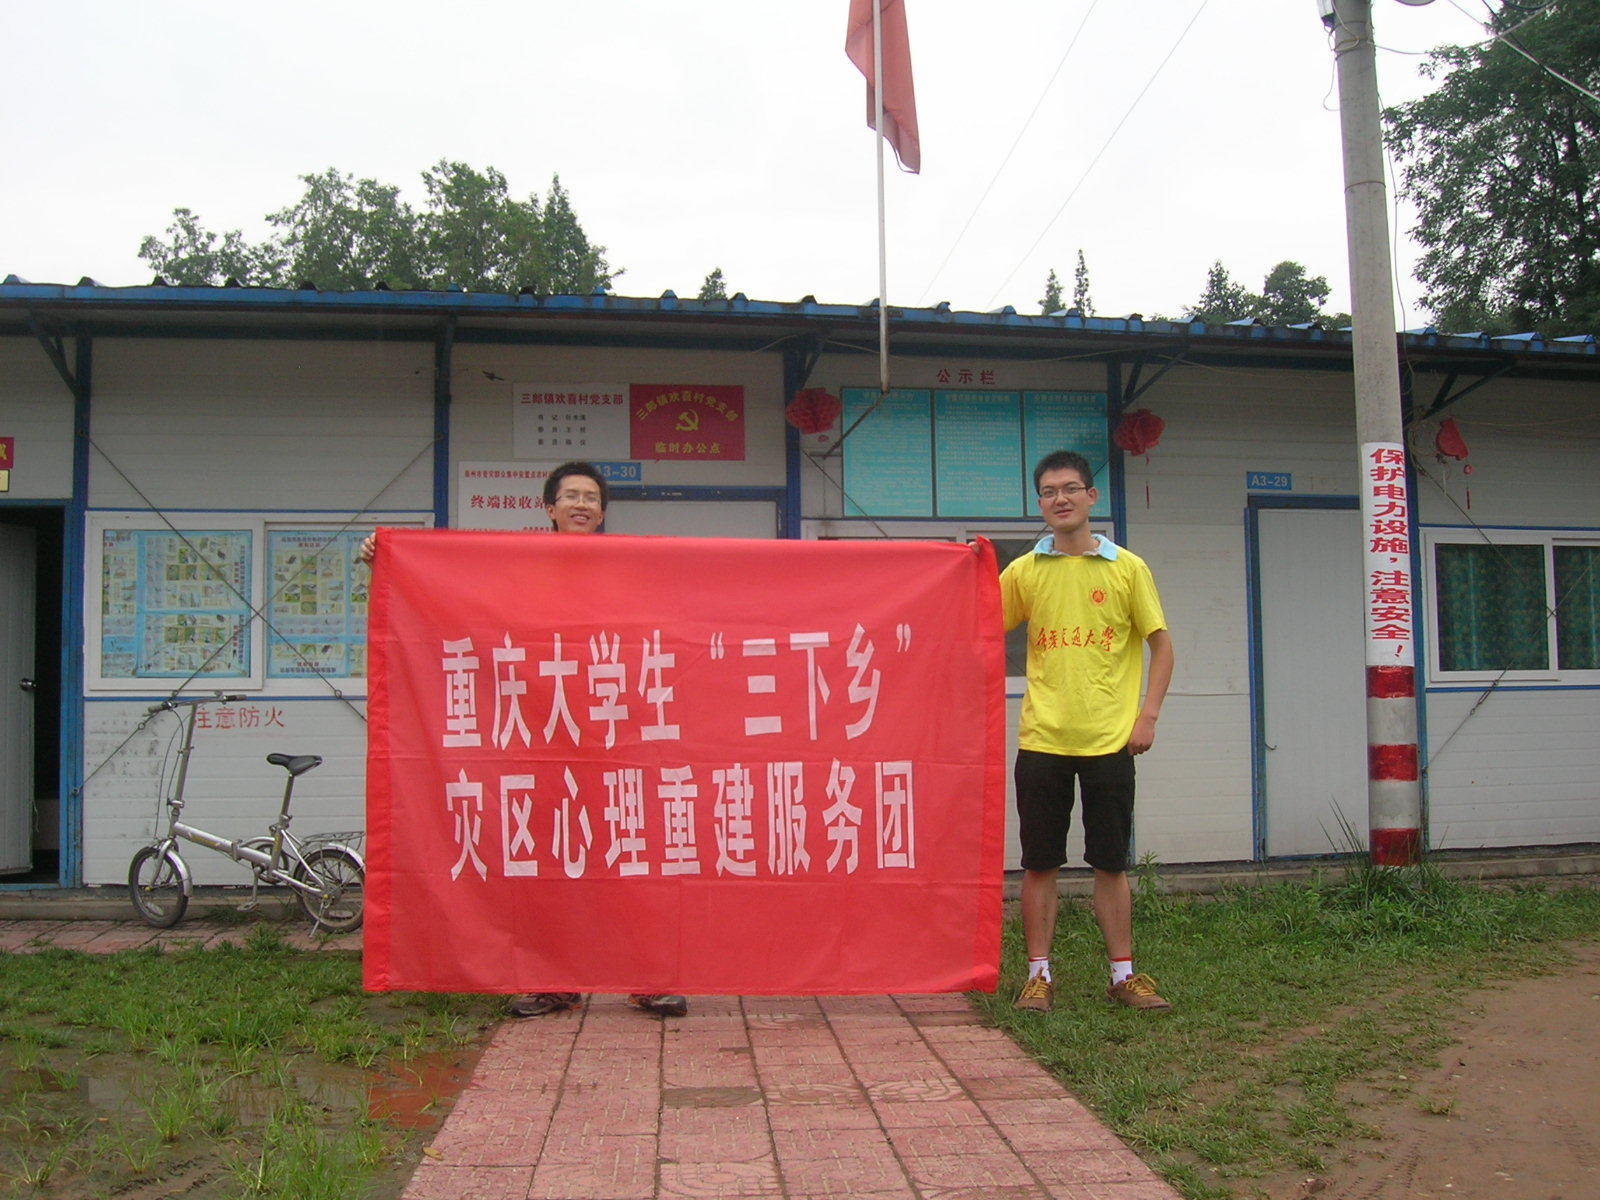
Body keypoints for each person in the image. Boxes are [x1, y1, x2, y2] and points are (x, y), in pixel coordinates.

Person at [360, 461, 688, 1019]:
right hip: (540, 739)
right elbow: (445, 599)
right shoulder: (516, 566)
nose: (581, 504)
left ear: (604, 513)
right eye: (570, 496)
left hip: (617, 741)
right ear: (550, 508)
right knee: (551, 864)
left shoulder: (631, 567)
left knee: (631, 864)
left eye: (591, 497)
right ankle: (555, 980)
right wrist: (387, 560)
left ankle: (645, 979)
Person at [1000, 450, 1176, 1012]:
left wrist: (1146, 714)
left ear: (1092, 497)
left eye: (1071, 488)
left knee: (1110, 862)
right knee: (1039, 862)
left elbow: (1162, 645)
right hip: (1042, 739)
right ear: (1040, 503)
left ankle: (1123, 976)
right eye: (1049, 491)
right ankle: (1038, 976)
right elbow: (975, 620)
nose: (1061, 499)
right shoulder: (1024, 572)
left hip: (1109, 741)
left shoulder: (1126, 568)